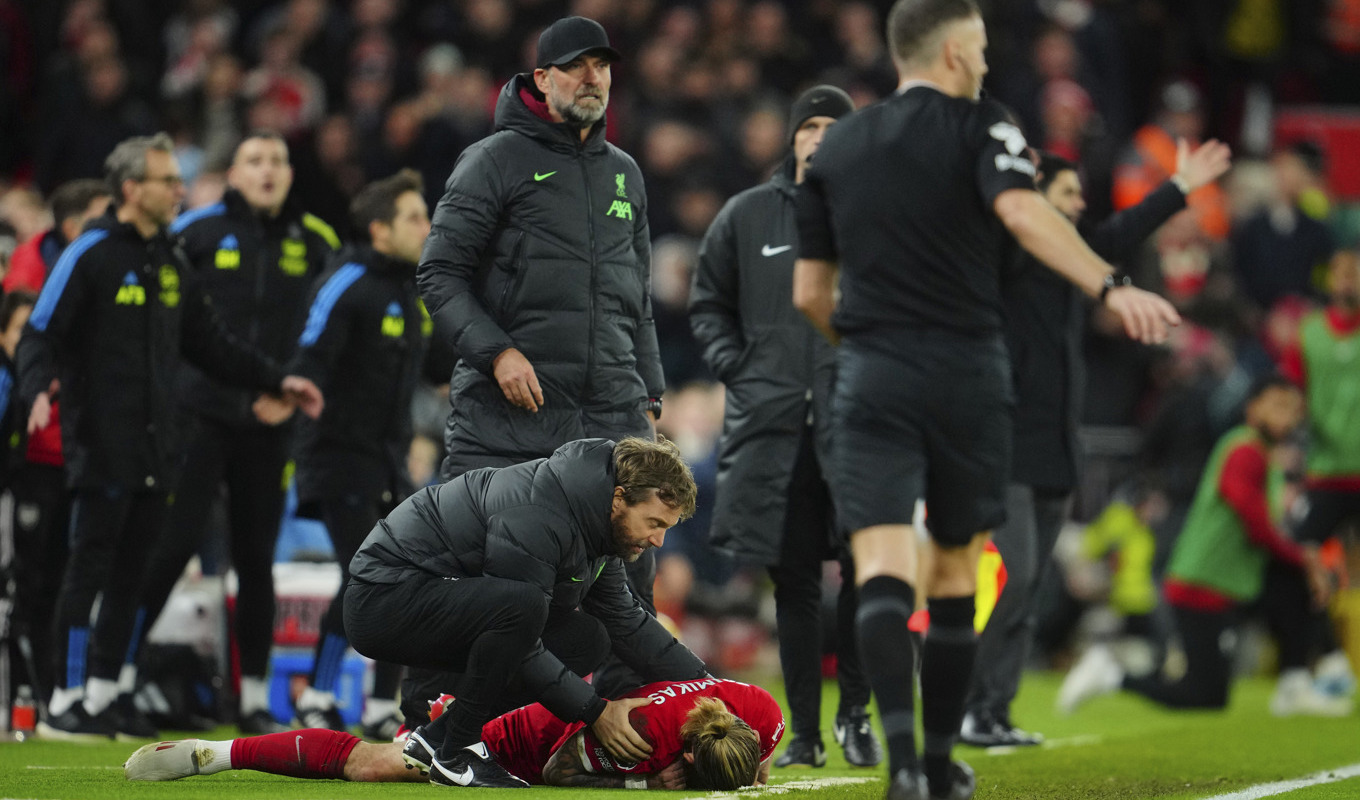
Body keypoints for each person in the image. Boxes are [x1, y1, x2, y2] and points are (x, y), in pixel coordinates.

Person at [790, 2, 1180, 798]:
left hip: (869, 372)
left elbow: (807, 293)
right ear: (958, 53)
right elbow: (1021, 210)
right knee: (959, 568)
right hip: (964, 370)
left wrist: (863, 350)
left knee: (883, 566)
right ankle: (937, 762)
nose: (989, 65)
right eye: (982, 50)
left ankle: (902, 769)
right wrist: (1108, 282)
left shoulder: (840, 144)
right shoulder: (983, 126)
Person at [16, 133, 323, 741]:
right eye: (166, 181)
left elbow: (210, 343)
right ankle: (65, 699)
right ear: (132, 189)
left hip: (160, 442)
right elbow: (40, 333)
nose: (179, 189)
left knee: (131, 570)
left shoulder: (170, 258)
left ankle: (102, 695)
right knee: (90, 568)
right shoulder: (93, 251)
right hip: (102, 436)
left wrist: (280, 381)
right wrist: (34, 390)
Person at [415, 13, 663, 710]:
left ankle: (632, 730)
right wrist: (496, 354)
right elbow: (439, 274)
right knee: (480, 577)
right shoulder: (492, 160)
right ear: (542, 77)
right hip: (508, 418)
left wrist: (652, 394)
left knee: (629, 581)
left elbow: (635, 298)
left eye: (603, 66)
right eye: (578, 66)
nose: (593, 78)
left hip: (610, 408)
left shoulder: (625, 174)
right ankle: (432, 721)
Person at [961, 143, 1231, 748]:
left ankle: (994, 712)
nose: (1080, 206)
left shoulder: (1069, 267)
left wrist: (1181, 186)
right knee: (1012, 578)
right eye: (1067, 196)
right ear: (1031, 200)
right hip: (1005, 443)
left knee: (1030, 589)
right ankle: (969, 703)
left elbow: (1122, 230)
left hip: (1058, 446)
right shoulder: (1011, 258)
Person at [689, 84, 880, 769]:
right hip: (773, 429)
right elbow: (707, 301)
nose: (821, 136)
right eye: (810, 125)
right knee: (794, 582)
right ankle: (804, 730)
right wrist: (738, 367)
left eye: (835, 126)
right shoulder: (746, 216)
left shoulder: (875, 219)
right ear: (792, 138)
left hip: (855, 423)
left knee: (865, 570)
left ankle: (856, 714)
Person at [343, 436, 709, 788]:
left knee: (587, 639)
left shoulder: (597, 524)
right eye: (655, 523)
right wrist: (596, 712)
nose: (658, 540)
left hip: (433, 597)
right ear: (619, 499)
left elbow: (625, 620)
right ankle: (458, 752)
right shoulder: (541, 513)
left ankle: (438, 740)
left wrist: (709, 686)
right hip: (384, 600)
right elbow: (519, 629)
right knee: (524, 607)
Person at [131, 131, 340, 735]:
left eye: (278, 160)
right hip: (198, 418)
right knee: (171, 548)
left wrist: (288, 393)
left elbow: (327, 331)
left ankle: (252, 699)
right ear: (235, 172)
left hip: (272, 423)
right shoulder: (194, 234)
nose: (268, 170)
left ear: (291, 174)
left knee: (256, 561)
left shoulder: (317, 240)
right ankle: (117, 676)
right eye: (256, 160)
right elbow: (170, 326)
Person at [1056, 376, 1344, 714]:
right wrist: (1305, 558)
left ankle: (1297, 682)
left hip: (1233, 582)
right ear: (1252, 408)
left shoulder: (1262, 454)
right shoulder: (1245, 451)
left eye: (1294, 409)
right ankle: (1112, 674)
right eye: (1278, 405)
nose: (1288, 418)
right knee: (1203, 695)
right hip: (1202, 586)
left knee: (1297, 587)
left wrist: (1304, 562)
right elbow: (1258, 529)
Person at [285, 169, 431, 736]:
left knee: (397, 570)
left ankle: (377, 704)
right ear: (379, 229)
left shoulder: (410, 288)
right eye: (415, 217)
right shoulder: (346, 280)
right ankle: (317, 694)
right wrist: (299, 382)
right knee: (369, 571)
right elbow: (312, 346)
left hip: (386, 459)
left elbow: (437, 363)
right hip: (338, 454)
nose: (426, 227)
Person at [125, 677, 783, 789]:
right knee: (372, 765)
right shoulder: (643, 736)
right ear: (686, 755)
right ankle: (217, 756)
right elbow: (556, 773)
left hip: (559, 690)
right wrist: (643, 783)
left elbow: (752, 771)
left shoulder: (763, 716)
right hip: (518, 734)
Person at [1, 179, 109, 709]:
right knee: (32, 583)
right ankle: (31, 692)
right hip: (36, 465)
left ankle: (49, 693)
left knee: (59, 579)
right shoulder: (41, 277)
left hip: (72, 458)